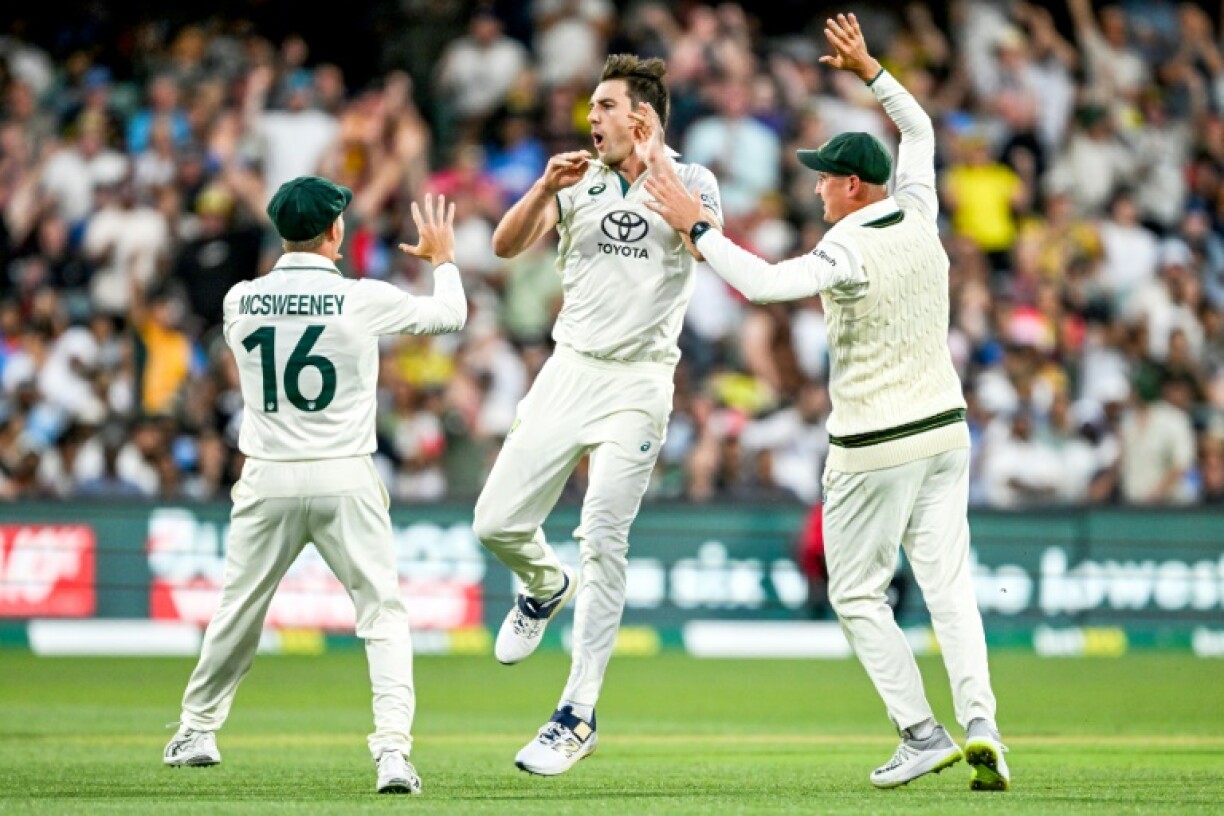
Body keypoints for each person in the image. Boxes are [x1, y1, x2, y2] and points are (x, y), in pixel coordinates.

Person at [644, 14, 1009, 792]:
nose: (814, 187)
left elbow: (764, 285)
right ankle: (982, 724)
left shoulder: (845, 244)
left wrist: (698, 226)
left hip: (872, 443)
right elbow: (918, 127)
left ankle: (920, 731)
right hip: (946, 432)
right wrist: (871, 70)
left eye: (822, 177)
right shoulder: (918, 208)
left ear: (851, 185)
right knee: (950, 590)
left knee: (853, 591)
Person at [162, 177, 467, 796]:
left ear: (281, 232)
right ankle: (392, 753)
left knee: (239, 609)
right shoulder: (361, 297)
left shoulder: (239, 300)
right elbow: (451, 315)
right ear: (335, 232)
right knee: (382, 614)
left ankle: (196, 729)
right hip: (344, 471)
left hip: (268, 472)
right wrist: (444, 260)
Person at [472, 53, 721, 776]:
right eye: (591, 108)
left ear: (641, 116)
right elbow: (504, 245)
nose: (591, 118)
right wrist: (541, 188)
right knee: (493, 523)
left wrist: (651, 170)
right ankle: (544, 584)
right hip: (568, 371)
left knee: (603, 539)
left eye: (605, 107)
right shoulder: (576, 179)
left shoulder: (693, 179)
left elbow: (701, 247)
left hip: (640, 383)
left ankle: (575, 714)